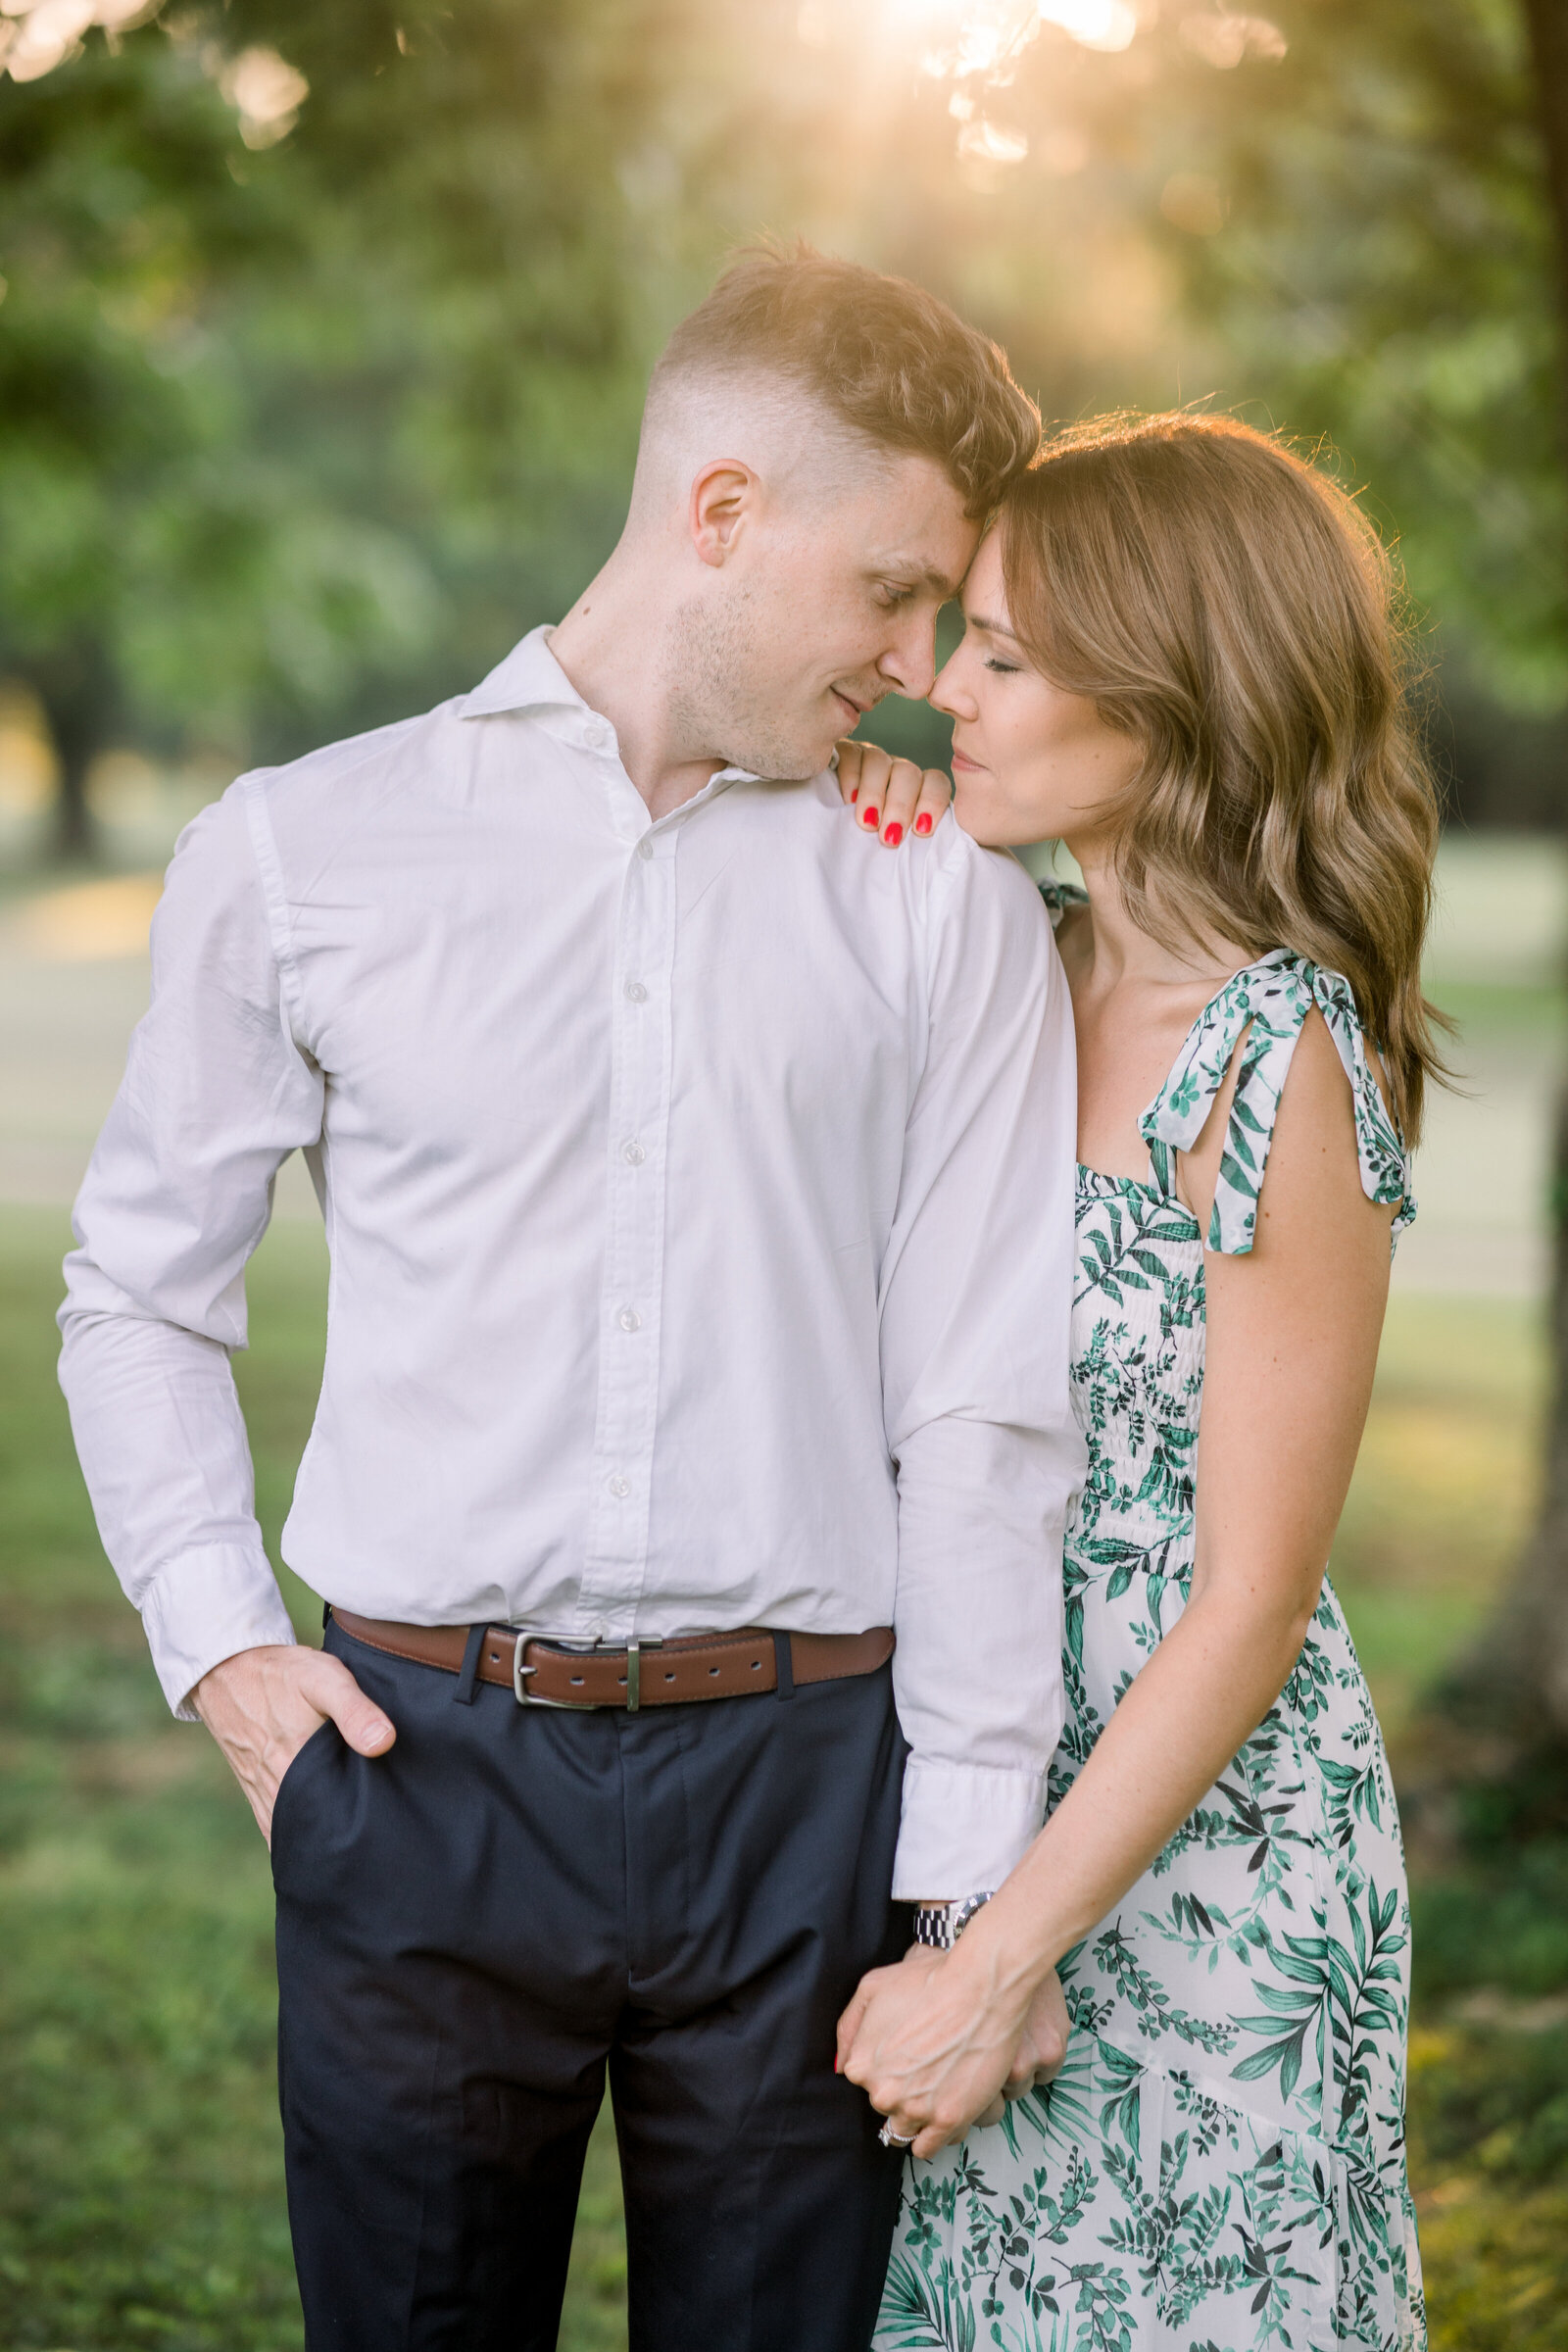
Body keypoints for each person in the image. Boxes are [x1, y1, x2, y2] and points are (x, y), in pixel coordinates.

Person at [56, 245, 1086, 2352]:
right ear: (721, 512)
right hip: (413, 1779)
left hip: (810, 1796)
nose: (915, 664)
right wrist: (219, 1649)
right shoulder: (305, 852)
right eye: (891, 595)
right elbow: (139, 1293)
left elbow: (981, 1396)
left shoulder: (930, 895)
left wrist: (966, 1882)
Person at [834, 413, 1436, 2350]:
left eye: (1002, 653)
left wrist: (1000, 1959)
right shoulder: (1013, 954)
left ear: (1171, 689)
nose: (947, 689)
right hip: (975, 1762)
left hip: (1191, 1852)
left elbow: (1246, 1601)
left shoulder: (1279, 1071)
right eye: (956, 640)